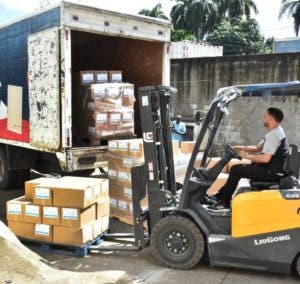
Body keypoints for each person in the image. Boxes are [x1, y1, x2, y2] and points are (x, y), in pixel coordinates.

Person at [207, 107, 289, 211]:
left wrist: (246, 156)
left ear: (271, 119)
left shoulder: (274, 135)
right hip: (271, 170)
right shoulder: (275, 132)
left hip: (271, 172)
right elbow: (256, 148)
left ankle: (224, 202)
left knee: (236, 169)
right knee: (237, 168)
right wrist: (237, 147)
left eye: (265, 116)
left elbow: (265, 159)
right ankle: (220, 196)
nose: (263, 118)